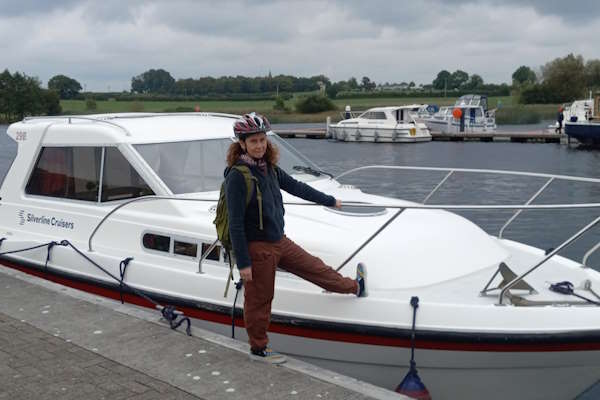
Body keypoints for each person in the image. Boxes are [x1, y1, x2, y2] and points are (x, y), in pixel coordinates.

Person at [225, 112, 367, 364]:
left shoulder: (268, 168)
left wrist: (330, 200)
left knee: (316, 268)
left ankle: (354, 286)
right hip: (258, 249)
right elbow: (235, 223)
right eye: (253, 141)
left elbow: (297, 187)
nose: (259, 145)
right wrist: (244, 262)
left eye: (262, 140)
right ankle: (259, 348)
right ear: (242, 144)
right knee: (260, 299)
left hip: (279, 241)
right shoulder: (238, 175)